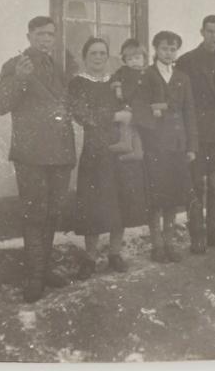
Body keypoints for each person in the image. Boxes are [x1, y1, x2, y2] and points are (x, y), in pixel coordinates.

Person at [0, 16, 78, 303]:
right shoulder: (15, 65)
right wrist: (20, 79)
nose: (46, 39)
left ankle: (44, 269)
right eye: (40, 34)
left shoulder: (59, 67)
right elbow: (0, 105)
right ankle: (34, 277)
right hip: (31, 155)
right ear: (28, 36)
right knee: (34, 214)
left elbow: (71, 103)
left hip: (60, 153)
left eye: (50, 34)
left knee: (53, 213)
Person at [68, 37, 148, 279]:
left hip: (119, 148)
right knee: (92, 204)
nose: (99, 57)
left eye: (103, 53)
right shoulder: (78, 83)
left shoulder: (115, 81)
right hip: (95, 149)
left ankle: (115, 253)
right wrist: (115, 116)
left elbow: (131, 104)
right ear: (85, 57)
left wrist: (130, 111)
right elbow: (81, 114)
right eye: (93, 53)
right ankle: (90, 257)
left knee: (120, 201)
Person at [176, 15, 215, 250]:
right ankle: (197, 237)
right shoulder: (186, 61)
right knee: (196, 184)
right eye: (210, 31)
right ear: (202, 32)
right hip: (196, 132)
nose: (214, 36)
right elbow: (180, 99)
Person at [140, 31, 199, 262]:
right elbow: (139, 108)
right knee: (156, 195)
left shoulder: (182, 77)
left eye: (173, 49)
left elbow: (189, 112)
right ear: (155, 49)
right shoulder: (146, 75)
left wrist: (191, 146)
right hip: (154, 144)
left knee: (173, 195)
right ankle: (157, 246)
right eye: (164, 48)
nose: (168, 53)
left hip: (177, 144)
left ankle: (169, 243)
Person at [108, 39, 164, 161]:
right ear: (125, 61)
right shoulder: (123, 71)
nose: (134, 62)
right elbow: (115, 78)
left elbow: (158, 90)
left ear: (144, 58)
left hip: (143, 108)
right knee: (129, 126)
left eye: (137, 58)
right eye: (130, 59)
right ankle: (135, 150)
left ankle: (128, 144)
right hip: (127, 104)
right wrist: (117, 87)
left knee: (133, 126)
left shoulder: (149, 73)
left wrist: (157, 108)